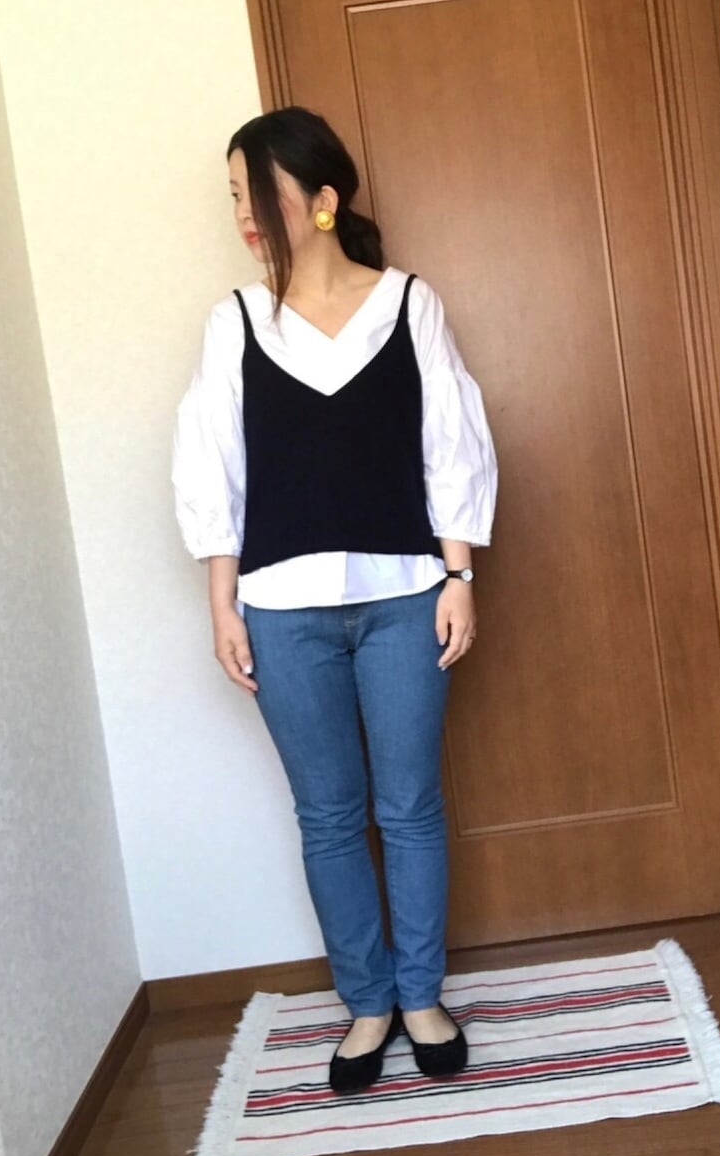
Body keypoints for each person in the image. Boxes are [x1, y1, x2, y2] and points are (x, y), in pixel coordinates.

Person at [172, 106, 498, 1094]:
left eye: (257, 195)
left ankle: (421, 995)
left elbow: (450, 444)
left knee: (409, 806)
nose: (242, 216)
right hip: (280, 611)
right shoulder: (235, 323)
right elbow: (214, 472)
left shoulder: (409, 304)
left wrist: (459, 577)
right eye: (234, 197)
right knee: (327, 814)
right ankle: (367, 1003)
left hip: (407, 598)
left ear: (321, 201)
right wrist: (222, 607)